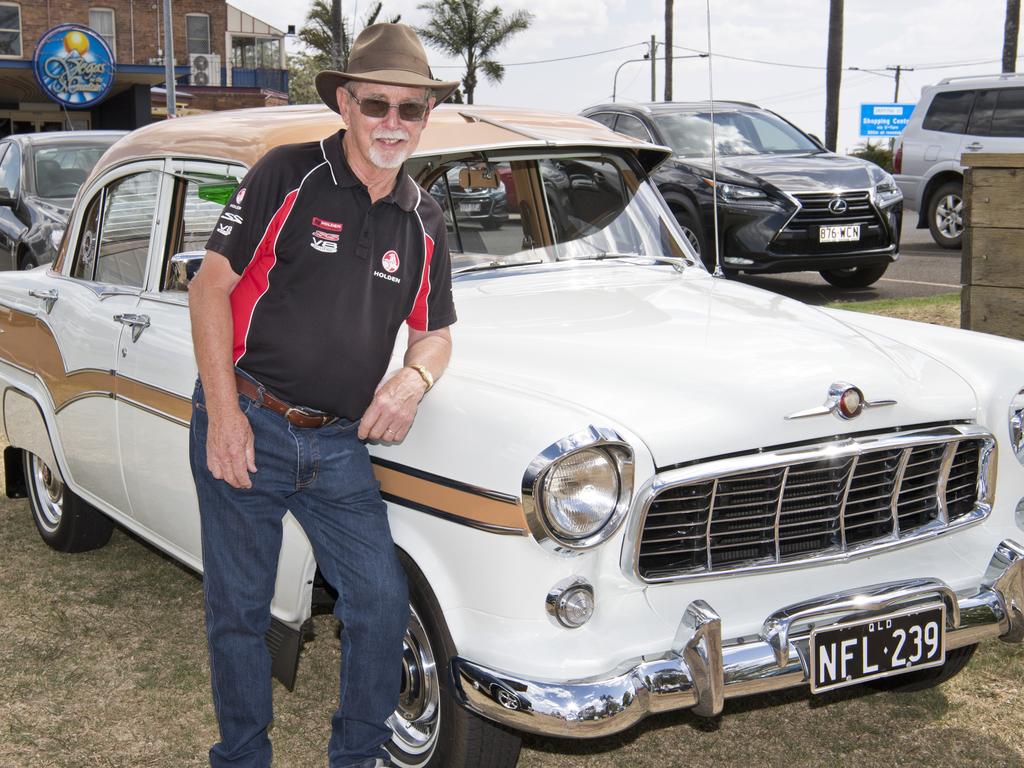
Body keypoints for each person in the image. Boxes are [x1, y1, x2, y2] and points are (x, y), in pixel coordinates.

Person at [187, 23, 458, 768]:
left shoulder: (424, 218)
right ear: (345, 102)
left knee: (379, 600)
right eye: (376, 105)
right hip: (247, 415)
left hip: (336, 442)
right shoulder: (287, 173)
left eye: (411, 109)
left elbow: (435, 332)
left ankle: (356, 756)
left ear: (427, 117)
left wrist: (413, 377)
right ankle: (242, 757)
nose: (392, 124)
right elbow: (209, 287)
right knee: (238, 611)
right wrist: (222, 417)